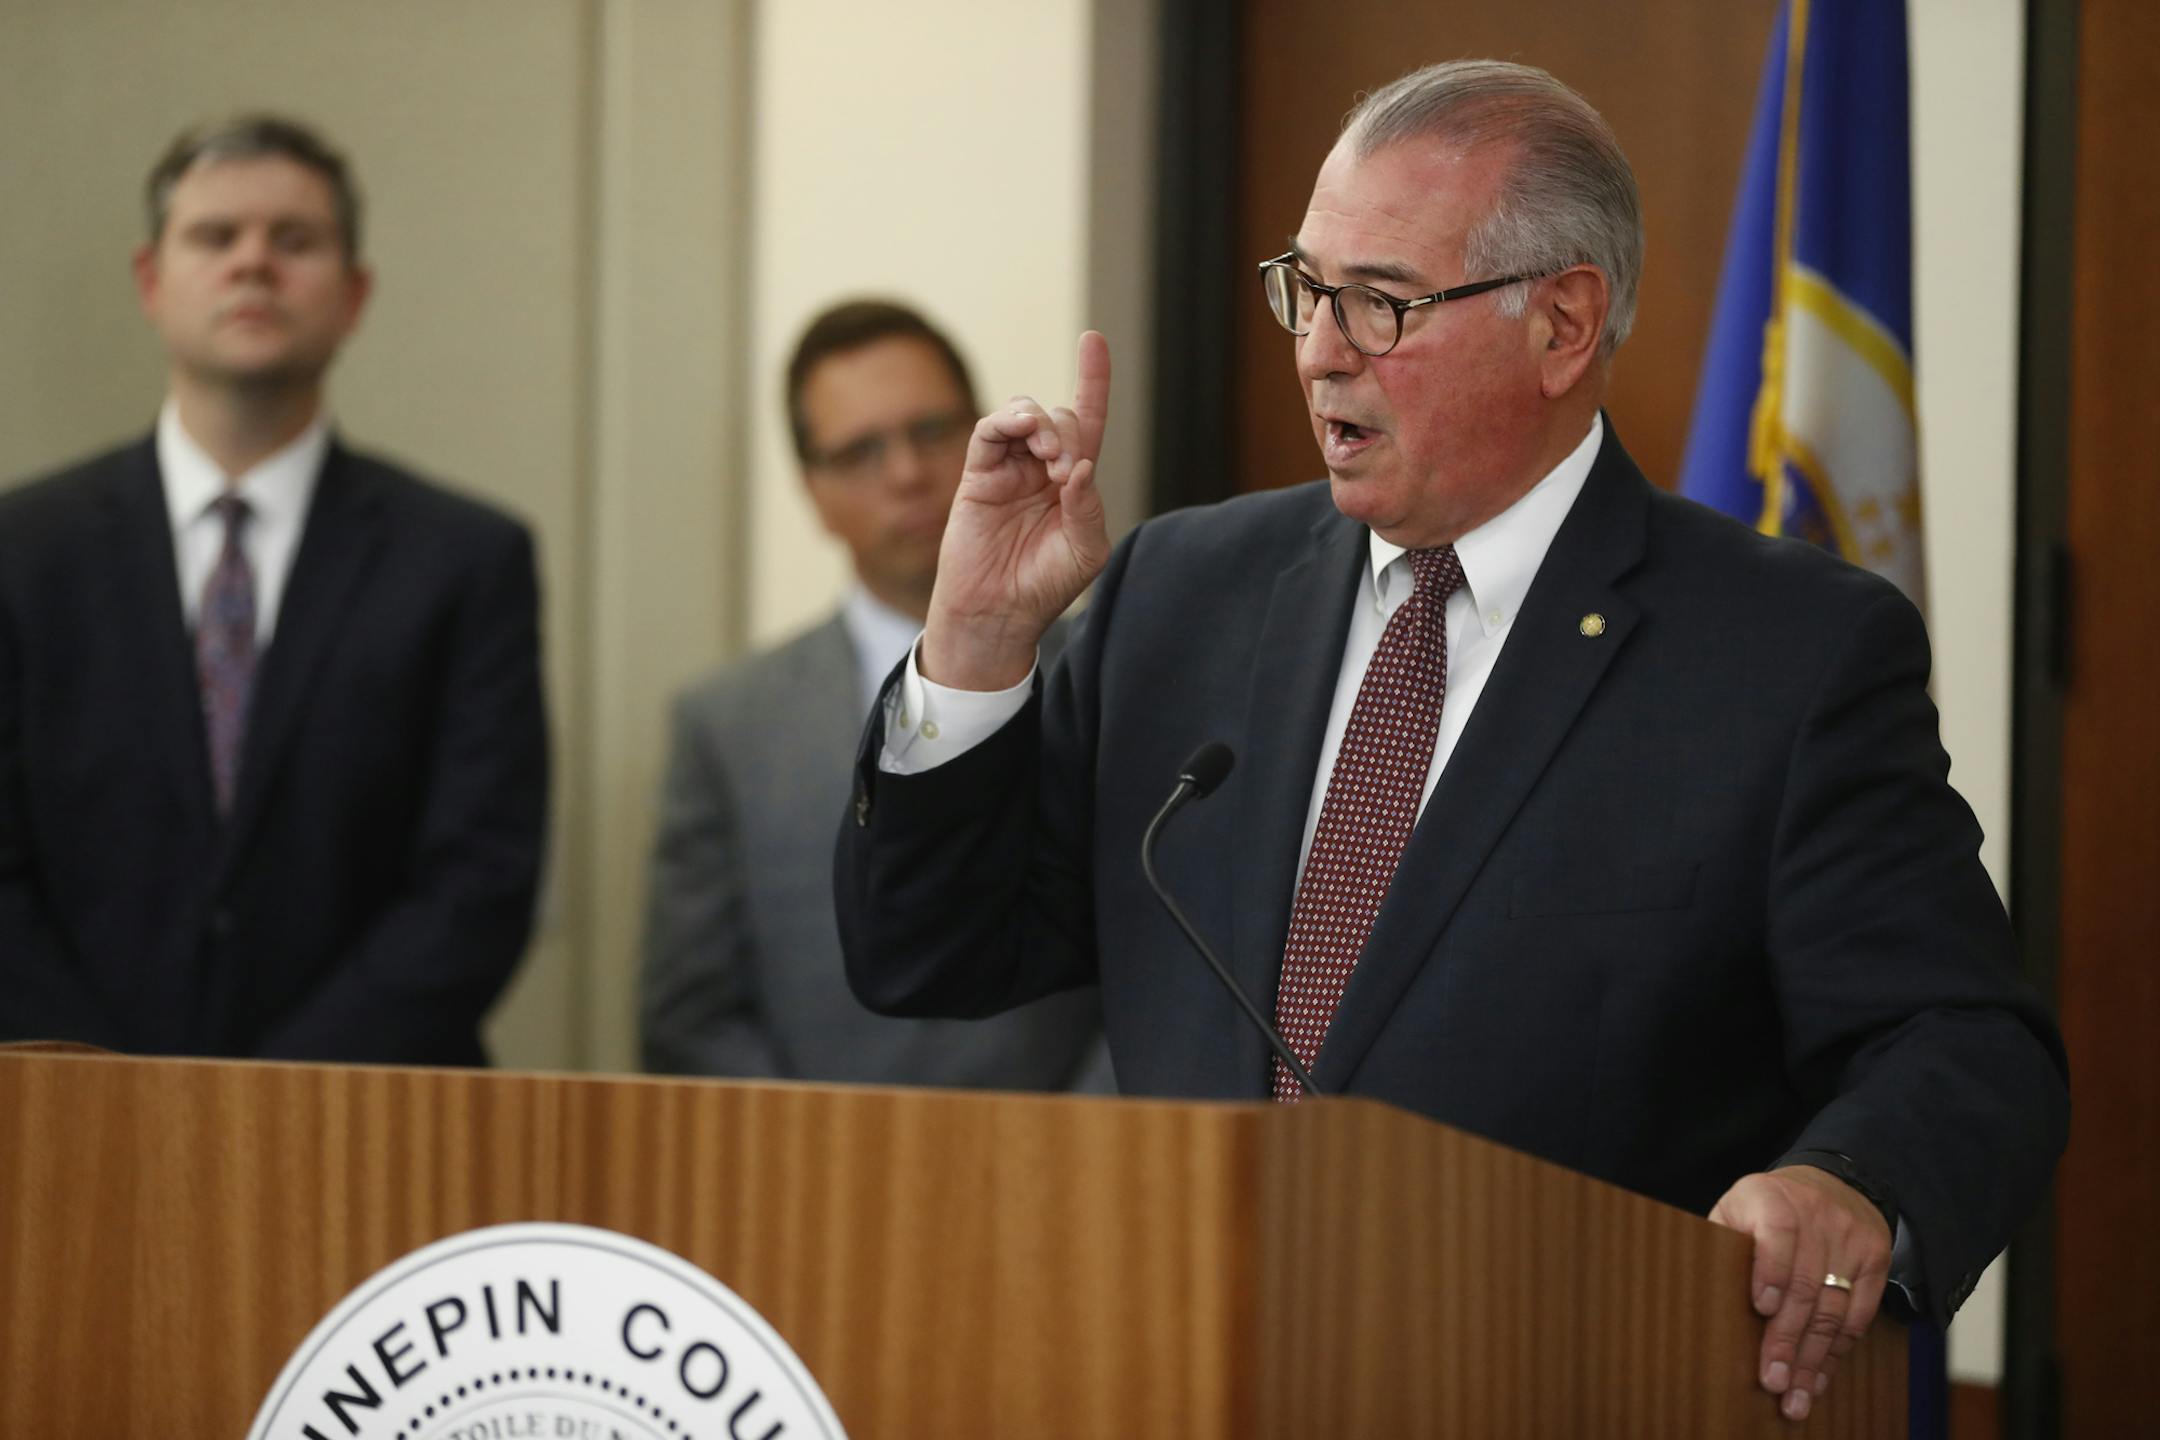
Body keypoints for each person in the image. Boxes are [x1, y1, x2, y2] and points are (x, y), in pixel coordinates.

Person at [834, 61, 2067, 1422]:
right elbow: (929, 955)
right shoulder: (1183, 592)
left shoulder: (1787, 655)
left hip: (1574, 1384)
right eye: (1306, 289)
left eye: (1382, 301)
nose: (1318, 349)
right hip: (1189, 1375)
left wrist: (1852, 1183)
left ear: (1562, 325)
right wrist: (974, 648)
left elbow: (1967, 1044)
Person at [0, 115, 547, 1065]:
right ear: (150, 281)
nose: (253, 263)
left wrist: (270, 1102)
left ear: (355, 294)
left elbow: (479, 883)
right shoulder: (20, 551)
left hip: (371, 1122)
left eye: (293, 241)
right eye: (216, 237)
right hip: (66, 1124)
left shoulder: (466, 559)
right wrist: (120, 1089)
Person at [641, 299, 1105, 1089]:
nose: (906, 473)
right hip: (813, 1176)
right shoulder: (730, 724)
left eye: (930, 432)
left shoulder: (1104, 670)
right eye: (860, 452)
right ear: (813, 492)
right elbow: (692, 1017)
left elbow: (1164, 969)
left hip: (1074, 1164)